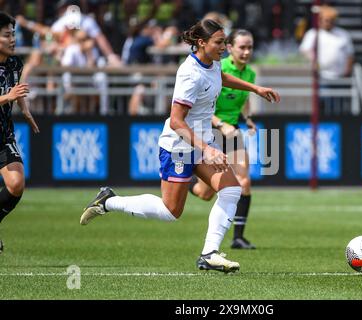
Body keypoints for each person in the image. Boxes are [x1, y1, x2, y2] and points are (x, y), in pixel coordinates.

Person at [79, 19, 280, 272]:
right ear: (201, 43)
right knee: (170, 211)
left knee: (231, 189)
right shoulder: (189, 73)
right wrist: (207, 149)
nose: (223, 47)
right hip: (179, 146)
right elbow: (176, 121)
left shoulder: (212, 62)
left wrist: (255, 88)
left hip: (201, 141)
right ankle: (108, 201)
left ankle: (209, 253)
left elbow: (220, 76)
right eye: (219, 42)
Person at [189, 29, 260, 249]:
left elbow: (244, 100)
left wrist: (246, 118)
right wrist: (221, 124)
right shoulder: (219, 68)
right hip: (211, 131)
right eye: (242, 47)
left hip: (232, 132)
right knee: (205, 193)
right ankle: (184, 178)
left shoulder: (249, 74)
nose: (246, 51)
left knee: (244, 181)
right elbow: (203, 106)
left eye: (250, 47)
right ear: (230, 47)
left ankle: (238, 237)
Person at [0, 12, 40, 254]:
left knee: (16, 184)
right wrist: (9, 97)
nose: (12, 39)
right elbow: (10, 94)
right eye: (6, 35)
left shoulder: (15, 63)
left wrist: (25, 110)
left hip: (3, 134)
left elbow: (16, 90)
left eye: (13, 34)